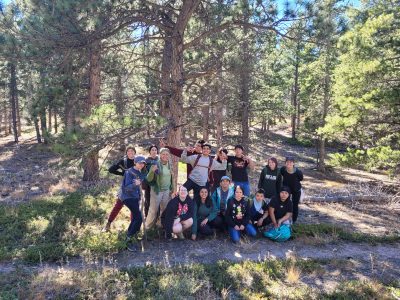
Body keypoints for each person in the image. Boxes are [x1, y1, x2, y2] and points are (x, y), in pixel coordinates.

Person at [103, 145, 136, 232]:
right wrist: (122, 174)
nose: (130, 153)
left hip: (135, 189)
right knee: (118, 206)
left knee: (134, 208)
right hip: (124, 188)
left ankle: (132, 229)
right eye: (129, 151)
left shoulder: (138, 161)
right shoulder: (123, 162)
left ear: (135, 153)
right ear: (126, 153)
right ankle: (108, 223)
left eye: (132, 151)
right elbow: (111, 169)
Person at [119, 156, 147, 252]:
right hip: (128, 197)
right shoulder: (129, 172)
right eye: (139, 163)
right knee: (138, 217)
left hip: (135, 198)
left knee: (136, 217)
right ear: (135, 162)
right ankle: (128, 240)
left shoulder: (139, 172)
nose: (141, 164)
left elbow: (143, 182)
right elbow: (126, 188)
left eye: (143, 163)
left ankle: (130, 235)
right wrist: (136, 184)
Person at [145, 148, 174, 230]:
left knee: (164, 210)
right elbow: (148, 179)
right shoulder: (156, 164)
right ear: (160, 155)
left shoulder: (170, 164)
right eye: (163, 154)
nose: (165, 156)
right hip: (157, 190)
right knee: (153, 210)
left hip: (167, 190)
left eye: (167, 154)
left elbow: (172, 178)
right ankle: (147, 228)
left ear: (169, 156)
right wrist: (151, 171)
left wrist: (173, 189)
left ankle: (160, 225)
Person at [280, 157, 303, 223]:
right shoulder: (283, 169)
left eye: (290, 162)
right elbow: (281, 175)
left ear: (293, 163)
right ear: (285, 163)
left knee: (295, 205)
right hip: (287, 189)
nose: (289, 163)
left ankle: (294, 220)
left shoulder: (298, 172)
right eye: (287, 162)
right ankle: (284, 219)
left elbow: (301, 178)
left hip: (296, 190)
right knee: (285, 203)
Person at [143, 145, 159, 217]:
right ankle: (147, 216)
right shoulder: (146, 161)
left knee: (157, 201)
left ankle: (157, 217)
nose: (154, 151)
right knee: (148, 200)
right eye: (152, 150)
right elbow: (143, 173)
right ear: (150, 151)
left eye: (155, 150)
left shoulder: (160, 160)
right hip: (148, 184)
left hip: (157, 184)